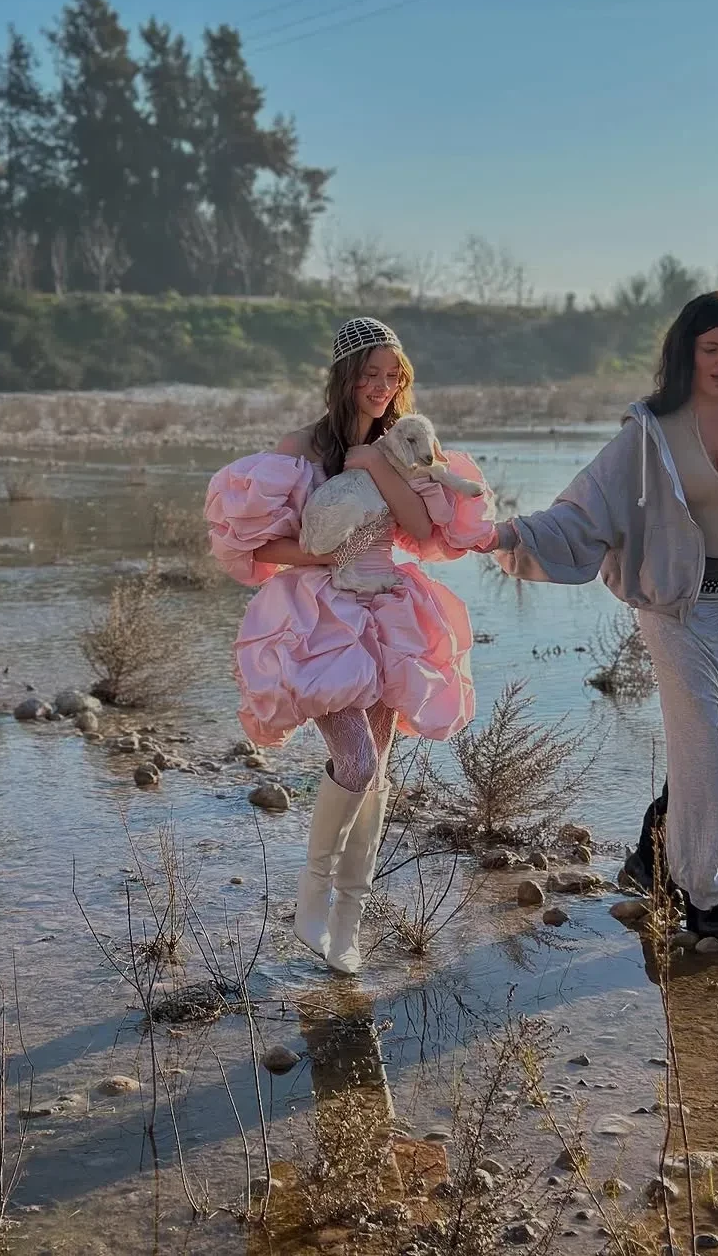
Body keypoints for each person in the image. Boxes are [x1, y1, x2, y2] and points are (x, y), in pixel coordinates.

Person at [482, 290, 718, 944]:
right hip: (675, 611)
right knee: (708, 749)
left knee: (711, 745)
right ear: (686, 352)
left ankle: (654, 851)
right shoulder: (649, 433)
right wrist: (505, 535)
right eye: (711, 348)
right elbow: (583, 512)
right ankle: (713, 902)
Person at [205, 317, 496, 974]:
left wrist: (373, 464)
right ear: (346, 377)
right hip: (324, 614)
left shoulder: (399, 445)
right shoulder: (302, 447)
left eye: (394, 376)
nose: (382, 387)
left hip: (388, 609)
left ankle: (348, 918)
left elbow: (421, 528)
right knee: (357, 762)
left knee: (380, 772)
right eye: (371, 374)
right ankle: (312, 898)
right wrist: (327, 554)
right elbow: (261, 545)